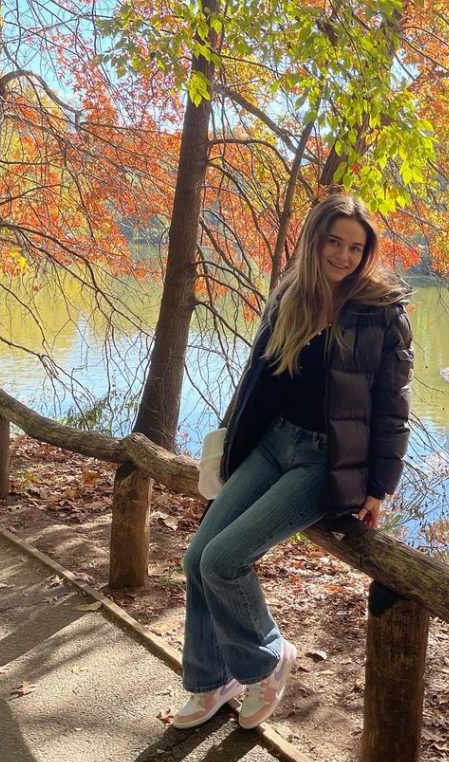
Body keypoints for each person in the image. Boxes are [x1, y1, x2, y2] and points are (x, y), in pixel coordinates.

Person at [172, 193, 414, 730]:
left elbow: (393, 407)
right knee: (196, 560)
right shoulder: (291, 297)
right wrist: (230, 448)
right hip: (272, 444)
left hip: (323, 463)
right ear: (314, 240)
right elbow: (258, 382)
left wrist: (380, 486)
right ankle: (212, 681)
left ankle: (267, 659)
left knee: (223, 560)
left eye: (356, 247)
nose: (344, 256)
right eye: (334, 241)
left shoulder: (381, 314)